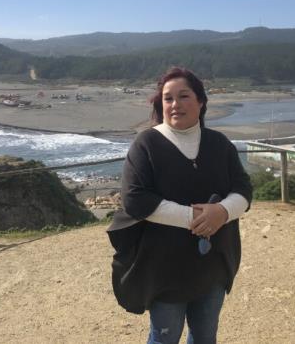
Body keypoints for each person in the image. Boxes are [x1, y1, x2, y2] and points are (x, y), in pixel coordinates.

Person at [107, 67, 252, 344]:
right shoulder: (146, 143)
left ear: (200, 101)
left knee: (205, 336)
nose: (175, 104)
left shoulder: (219, 144)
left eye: (183, 96)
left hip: (213, 263)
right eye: (168, 98)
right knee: (165, 337)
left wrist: (222, 212)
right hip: (165, 267)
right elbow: (135, 198)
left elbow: (243, 188)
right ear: (161, 105)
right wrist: (197, 218)